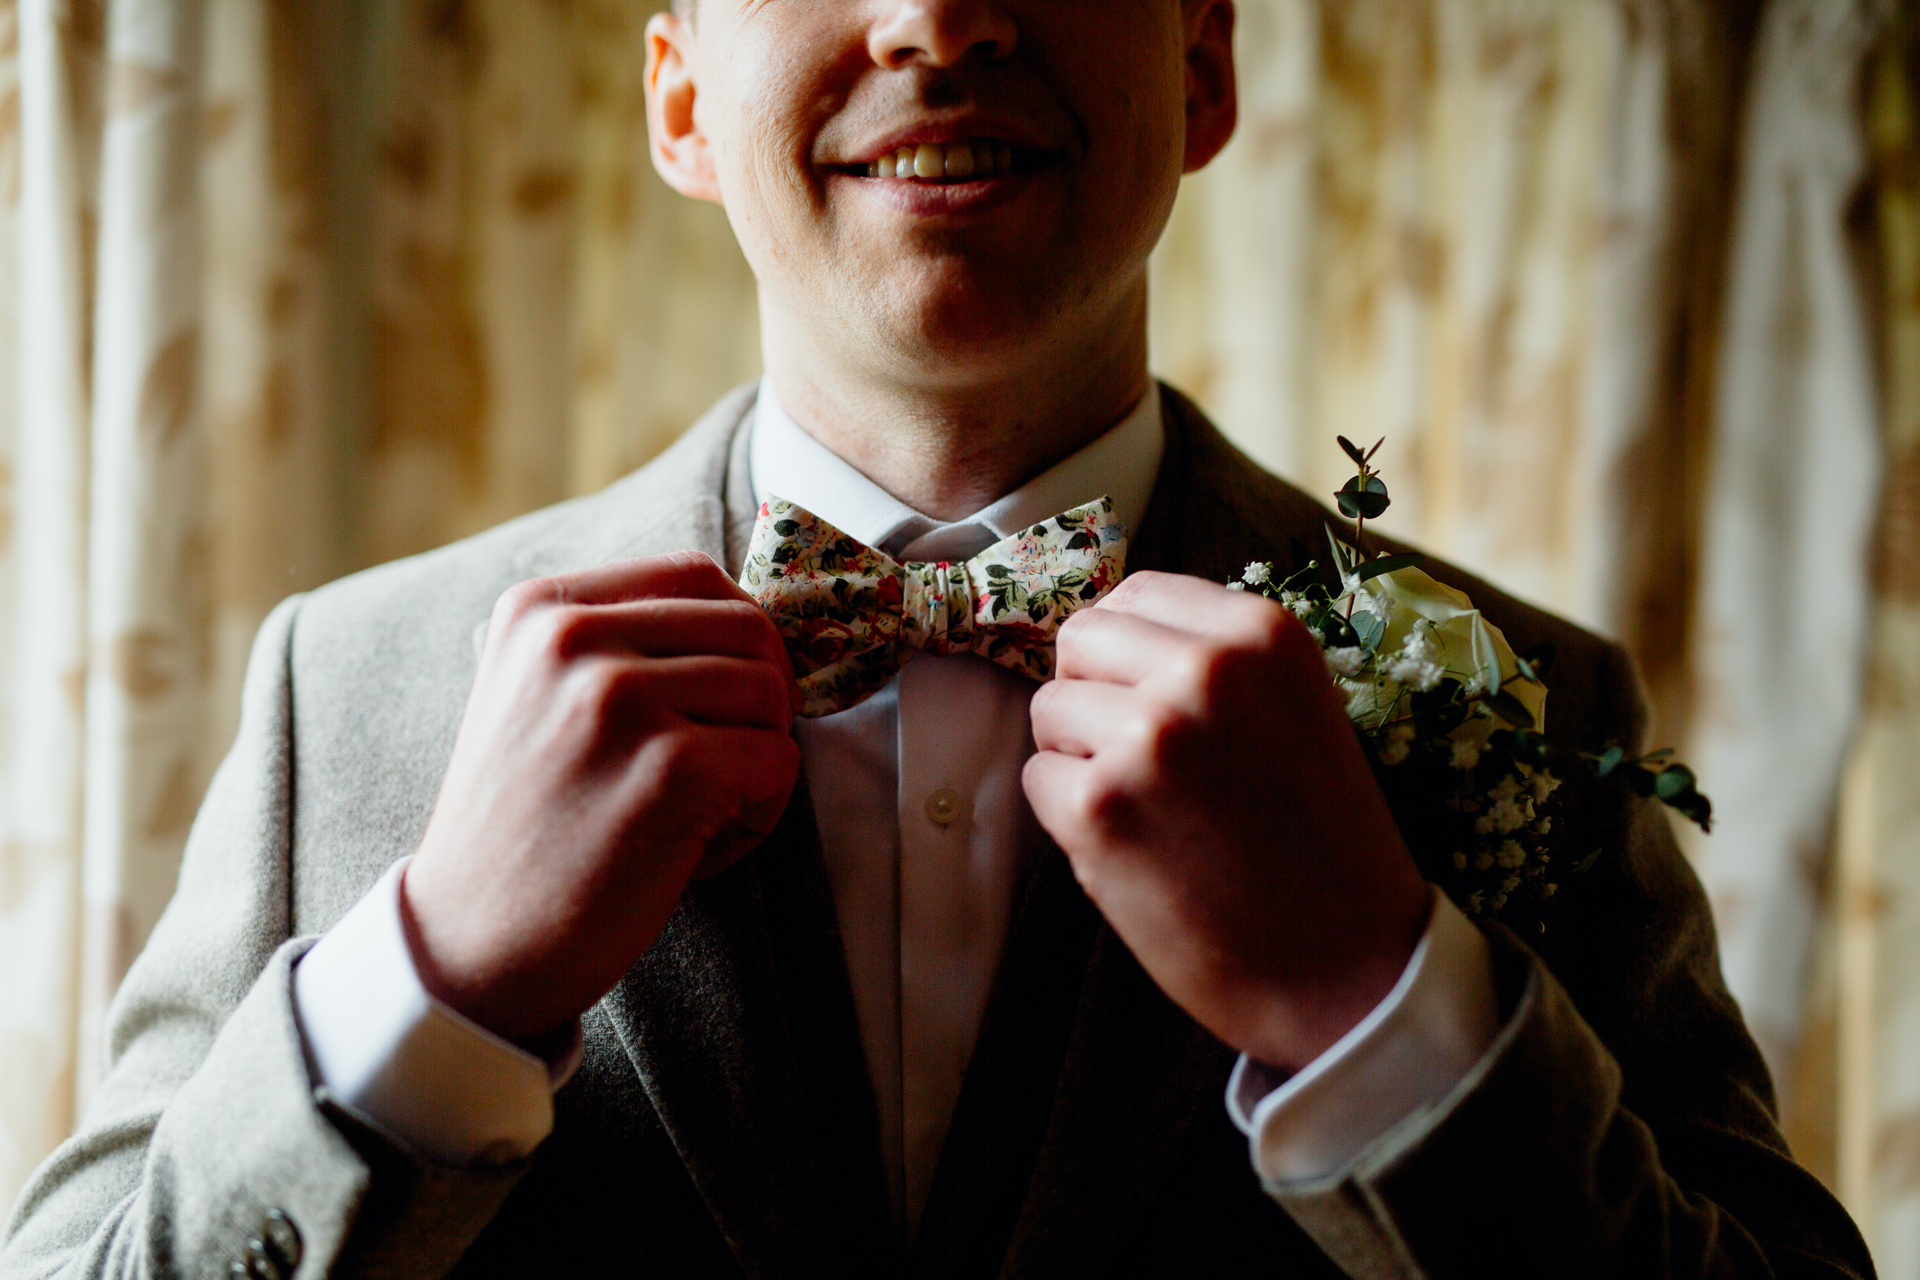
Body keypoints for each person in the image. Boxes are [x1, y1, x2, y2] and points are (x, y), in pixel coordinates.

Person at [0, 1, 1875, 1276]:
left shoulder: (1526, 711)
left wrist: (1378, 1003)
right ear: (676, 99)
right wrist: (429, 990)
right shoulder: (352, 685)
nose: (942, 16)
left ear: (1205, 66)